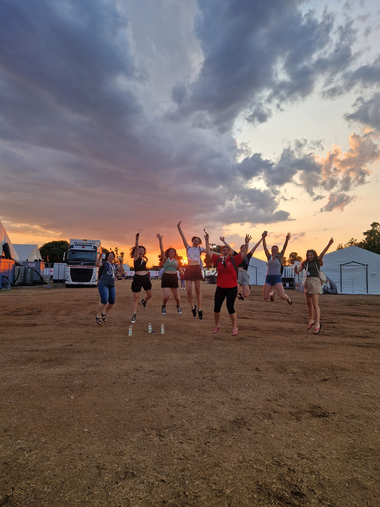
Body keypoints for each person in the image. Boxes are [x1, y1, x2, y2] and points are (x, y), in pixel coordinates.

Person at [205, 232, 251, 336]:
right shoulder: (218, 260)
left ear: (229, 252)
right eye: (223, 250)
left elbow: (244, 254)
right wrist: (207, 240)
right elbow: (208, 252)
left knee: (230, 307)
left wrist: (246, 243)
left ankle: (234, 327)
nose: (225, 251)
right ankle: (217, 325)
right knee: (217, 307)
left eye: (227, 250)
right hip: (220, 287)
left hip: (232, 288)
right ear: (221, 252)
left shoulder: (234, 259)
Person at [295, 238, 334, 334]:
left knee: (315, 304)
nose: (310, 256)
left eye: (311, 255)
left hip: (315, 281)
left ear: (314, 255)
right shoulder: (305, 263)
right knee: (308, 303)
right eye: (308, 255)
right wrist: (296, 269)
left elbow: (323, 252)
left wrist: (329, 244)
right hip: (307, 282)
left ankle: (317, 324)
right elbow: (298, 271)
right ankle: (311, 320)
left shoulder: (317, 261)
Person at [220, 235, 264, 300]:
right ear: (240, 249)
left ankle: (247, 288)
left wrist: (262, 238)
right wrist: (224, 241)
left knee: (246, 295)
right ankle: (239, 295)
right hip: (238, 274)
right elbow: (229, 248)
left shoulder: (248, 256)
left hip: (245, 274)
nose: (244, 248)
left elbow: (255, 247)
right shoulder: (237, 255)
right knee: (234, 292)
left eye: (245, 247)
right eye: (242, 247)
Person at [177, 221, 207, 319]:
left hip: (196, 268)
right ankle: (192, 307)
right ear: (192, 241)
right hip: (189, 268)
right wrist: (179, 227)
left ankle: (200, 309)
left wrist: (222, 255)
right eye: (195, 240)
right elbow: (182, 237)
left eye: (198, 241)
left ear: (199, 243)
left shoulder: (200, 249)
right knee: (188, 291)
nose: (196, 242)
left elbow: (210, 252)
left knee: (198, 290)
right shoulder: (188, 248)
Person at [156, 233, 184, 314]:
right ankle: (163, 306)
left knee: (177, 297)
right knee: (166, 296)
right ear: (168, 253)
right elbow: (161, 250)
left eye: (173, 252)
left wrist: (186, 276)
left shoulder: (177, 261)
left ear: (175, 254)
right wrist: (160, 241)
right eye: (170, 252)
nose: (171, 253)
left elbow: (180, 271)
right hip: (166, 277)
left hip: (174, 277)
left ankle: (178, 305)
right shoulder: (165, 259)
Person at [262, 231, 292, 305]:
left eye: (276, 250)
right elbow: (265, 248)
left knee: (282, 296)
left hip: (276, 278)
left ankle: (287, 297)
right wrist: (263, 238)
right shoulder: (269, 256)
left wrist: (286, 240)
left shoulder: (279, 257)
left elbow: (284, 248)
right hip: (269, 278)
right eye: (273, 249)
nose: (274, 251)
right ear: (271, 250)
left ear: (277, 251)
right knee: (265, 297)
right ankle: (271, 294)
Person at [95, 251, 124, 324]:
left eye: (112, 256)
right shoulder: (104, 264)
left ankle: (104, 313)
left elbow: (120, 270)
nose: (111, 257)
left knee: (112, 301)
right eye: (110, 256)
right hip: (103, 283)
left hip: (111, 285)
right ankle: (98, 315)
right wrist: (100, 257)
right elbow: (97, 264)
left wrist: (121, 262)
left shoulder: (114, 265)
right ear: (107, 257)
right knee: (104, 300)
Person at [130, 232, 152, 323]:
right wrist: (137, 240)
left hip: (145, 278)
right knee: (136, 298)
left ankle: (144, 301)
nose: (141, 251)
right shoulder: (136, 258)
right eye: (139, 250)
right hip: (137, 278)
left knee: (150, 295)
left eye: (142, 250)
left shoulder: (145, 259)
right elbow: (136, 250)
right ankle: (134, 314)